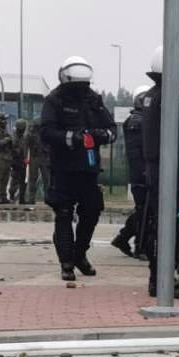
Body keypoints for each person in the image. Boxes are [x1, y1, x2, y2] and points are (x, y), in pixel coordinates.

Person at [40, 56, 116, 282]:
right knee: (63, 213)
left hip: (88, 169)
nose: (81, 89)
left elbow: (111, 128)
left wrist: (100, 135)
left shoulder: (93, 99)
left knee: (91, 212)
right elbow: (46, 132)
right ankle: (66, 263)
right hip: (63, 168)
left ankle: (80, 254)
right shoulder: (54, 100)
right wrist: (72, 138)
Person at [142, 45, 179, 300]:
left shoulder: (156, 95)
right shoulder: (171, 98)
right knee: (174, 224)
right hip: (173, 176)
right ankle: (162, 276)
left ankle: (161, 274)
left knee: (163, 224)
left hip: (161, 173)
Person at [112, 86, 150, 259]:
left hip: (142, 172)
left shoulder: (139, 120)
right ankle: (140, 247)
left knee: (144, 210)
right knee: (144, 211)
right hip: (141, 173)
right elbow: (138, 152)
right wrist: (145, 172)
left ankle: (124, 238)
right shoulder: (137, 122)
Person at [25, 118, 48, 204]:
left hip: (42, 157)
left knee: (45, 179)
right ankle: (32, 198)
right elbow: (26, 145)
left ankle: (45, 197)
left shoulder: (44, 134)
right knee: (34, 179)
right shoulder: (31, 135)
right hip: (36, 157)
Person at [8, 118, 29, 206]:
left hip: (22, 161)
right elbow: (13, 149)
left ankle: (22, 199)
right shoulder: (14, 137)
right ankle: (12, 196)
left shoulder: (23, 137)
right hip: (15, 161)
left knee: (23, 181)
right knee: (15, 180)